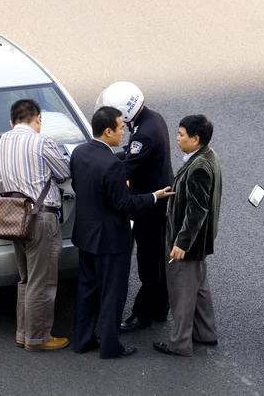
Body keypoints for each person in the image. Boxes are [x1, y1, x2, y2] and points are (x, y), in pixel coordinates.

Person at [70, 106, 174, 359]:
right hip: (111, 239)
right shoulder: (113, 166)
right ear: (107, 131)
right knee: (112, 294)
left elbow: (78, 184)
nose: (123, 135)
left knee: (87, 290)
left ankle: (83, 340)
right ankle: (109, 346)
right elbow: (125, 205)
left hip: (85, 234)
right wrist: (154, 196)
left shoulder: (80, 153)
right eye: (119, 128)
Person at [95, 81, 174, 332]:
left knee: (148, 262)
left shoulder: (143, 134)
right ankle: (160, 306)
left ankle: (143, 313)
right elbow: (130, 154)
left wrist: (99, 165)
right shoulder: (152, 119)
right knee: (158, 259)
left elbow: (128, 165)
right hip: (159, 200)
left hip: (148, 206)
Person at [0, 99, 71, 352]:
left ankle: (23, 333)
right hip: (41, 217)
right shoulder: (42, 142)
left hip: (13, 217)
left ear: (12, 122)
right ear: (37, 118)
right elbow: (63, 173)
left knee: (26, 279)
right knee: (43, 281)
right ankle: (38, 338)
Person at [153, 115, 222, 357]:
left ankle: (180, 343)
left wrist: (181, 243)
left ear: (196, 139)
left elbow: (197, 210)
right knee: (200, 289)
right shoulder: (208, 156)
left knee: (182, 293)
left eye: (182, 134)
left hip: (189, 244)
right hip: (200, 243)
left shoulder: (199, 167)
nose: (178, 138)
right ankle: (205, 333)